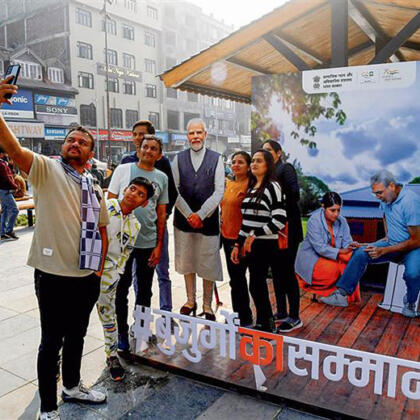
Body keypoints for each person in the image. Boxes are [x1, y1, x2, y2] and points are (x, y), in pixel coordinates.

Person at [1, 76, 109, 420]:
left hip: (86, 275)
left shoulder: (94, 184)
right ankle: (48, 408)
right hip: (52, 275)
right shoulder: (46, 169)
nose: (74, 143)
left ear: (91, 153)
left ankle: (72, 387)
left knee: (77, 334)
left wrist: (98, 267)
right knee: (51, 343)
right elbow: (14, 150)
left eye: (82, 141)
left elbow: (103, 227)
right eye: (70, 139)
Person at [321, 170, 420, 318]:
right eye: (375, 193)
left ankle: (410, 302)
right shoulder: (386, 199)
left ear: (392, 186)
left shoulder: (410, 202)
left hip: (413, 247)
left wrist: (385, 250)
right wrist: (387, 237)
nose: (377, 197)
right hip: (391, 243)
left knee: (413, 274)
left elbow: (416, 240)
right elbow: (385, 215)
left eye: (379, 193)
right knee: (360, 253)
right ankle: (341, 295)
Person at [108, 135, 168, 357]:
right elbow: (110, 202)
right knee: (121, 289)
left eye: (154, 148)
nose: (149, 151)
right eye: (145, 147)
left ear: (159, 154)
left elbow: (161, 213)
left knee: (145, 290)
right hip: (121, 244)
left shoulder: (162, 178)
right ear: (138, 149)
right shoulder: (123, 170)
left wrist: (159, 244)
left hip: (147, 242)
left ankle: (141, 330)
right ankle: (121, 334)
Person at [97, 177, 154, 381]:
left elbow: (125, 255)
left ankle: (111, 355)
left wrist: (116, 274)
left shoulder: (135, 225)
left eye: (140, 194)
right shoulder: (105, 205)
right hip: (86, 270)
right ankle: (61, 354)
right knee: (72, 315)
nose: (134, 194)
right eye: (132, 189)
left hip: (109, 276)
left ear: (144, 203)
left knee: (108, 315)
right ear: (125, 189)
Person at [120, 120, 177, 315]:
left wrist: (160, 219)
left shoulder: (162, 167)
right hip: (126, 234)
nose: (138, 138)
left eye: (142, 135)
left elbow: (170, 196)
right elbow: (113, 199)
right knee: (129, 280)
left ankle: (166, 312)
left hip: (153, 231)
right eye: (135, 134)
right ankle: (136, 322)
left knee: (161, 272)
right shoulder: (126, 163)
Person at [172, 118, 224, 320]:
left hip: (208, 222)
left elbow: (219, 191)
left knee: (208, 263)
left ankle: (207, 305)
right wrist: (189, 215)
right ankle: (190, 300)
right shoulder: (178, 158)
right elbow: (174, 189)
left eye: (199, 133)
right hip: (183, 221)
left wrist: (201, 214)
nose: (195, 137)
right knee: (188, 261)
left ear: (205, 134)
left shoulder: (216, 158)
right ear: (187, 136)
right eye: (192, 133)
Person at [231, 149, 287, 333]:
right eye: (253, 160)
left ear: (268, 165)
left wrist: (254, 235)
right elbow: (245, 221)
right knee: (254, 285)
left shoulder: (273, 186)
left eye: (259, 161)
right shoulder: (252, 187)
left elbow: (279, 220)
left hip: (264, 244)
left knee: (257, 284)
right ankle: (263, 323)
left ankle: (268, 327)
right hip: (249, 243)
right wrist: (237, 244)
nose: (254, 163)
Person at [262, 139, 303, 332]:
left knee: (287, 272)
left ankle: (295, 316)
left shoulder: (286, 169)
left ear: (279, 153)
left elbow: (294, 194)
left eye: (269, 150)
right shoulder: (266, 174)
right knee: (277, 272)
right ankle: (281, 312)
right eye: (264, 151)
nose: (266, 154)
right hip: (273, 230)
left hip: (288, 230)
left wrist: (276, 203)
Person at [295, 192, 360, 303]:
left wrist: (351, 245)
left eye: (338, 210)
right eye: (332, 210)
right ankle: (334, 295)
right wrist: (341, 251)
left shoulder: (342, 221)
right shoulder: (314, 221)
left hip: (334, 256)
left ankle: (341, 295)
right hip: (314, 258)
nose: (336, 214)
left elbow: (347, 242)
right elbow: (319, 248)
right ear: (323, 207)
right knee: (336, 269)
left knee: (355, 260)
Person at [220, 151, 253, 326]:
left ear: (248, 167)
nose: (236, 165)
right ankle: (237, 316)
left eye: (240, 162)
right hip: (226, 237)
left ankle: (245, 319)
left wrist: (240, 241)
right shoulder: (228, 183)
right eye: (233, 162)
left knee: (241, 279)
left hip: (242, 240)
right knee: (235, 280)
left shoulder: (251, 186)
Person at [0, 146, 19, 240]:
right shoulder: (1, 164)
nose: (7, 155)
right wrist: (15, 186)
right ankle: (9, 231)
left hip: (3, 190)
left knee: (5, 211)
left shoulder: (4, 163)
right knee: (15, 210)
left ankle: (2, 233)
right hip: (5, 190)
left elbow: (11, 174)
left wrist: (10, 165)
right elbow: (7, 177)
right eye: (5, 153)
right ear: (2, 154)